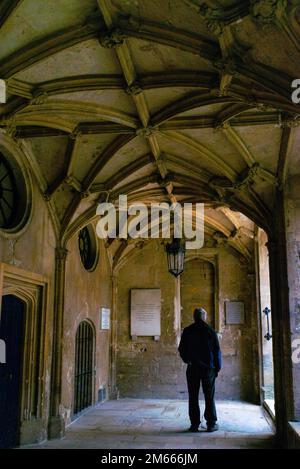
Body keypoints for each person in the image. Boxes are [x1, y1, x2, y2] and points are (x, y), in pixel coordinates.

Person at [178, 307, 221, 433]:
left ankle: (194, 424)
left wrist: (187, 360)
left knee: (193, 396)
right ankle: (211, 424)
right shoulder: (210, 331)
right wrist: (217, 368)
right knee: (209, 396)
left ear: (194, 317)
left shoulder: (188, 330)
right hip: (208, 369)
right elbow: (216, 351)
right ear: (204, 317)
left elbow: (181, 349)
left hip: (193, 368)